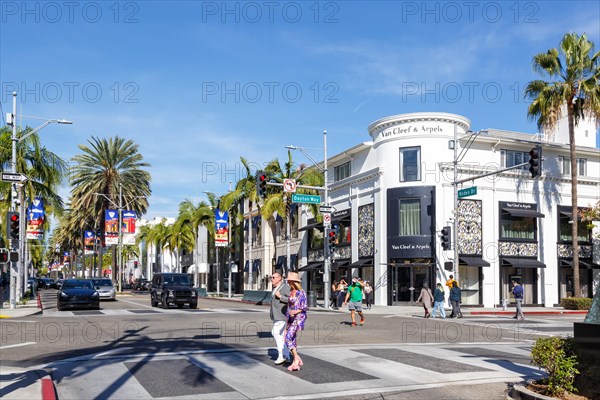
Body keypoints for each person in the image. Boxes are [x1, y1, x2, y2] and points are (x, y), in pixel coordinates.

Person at [284, 272, 307, 371]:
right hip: (291, 317)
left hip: (299, 317)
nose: (288, 282)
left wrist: (296, 311)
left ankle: (296, 357)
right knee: (292, 338)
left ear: (293, 281)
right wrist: (287, 322)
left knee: (288, 337)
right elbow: (289, 307)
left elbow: (304, 306)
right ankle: (295, 363)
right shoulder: (291, 291)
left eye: (289, 281)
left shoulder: (301, 292)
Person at [270, 272, 291, 365]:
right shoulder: (275, 288)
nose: (272, 279)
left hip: (282, 315)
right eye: (271, 277)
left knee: (275, 333)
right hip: (276, 315)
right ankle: (287, 355)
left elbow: (292, 300)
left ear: (279, 278)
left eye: (273, 277)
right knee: (280, 335)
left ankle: (281, 356)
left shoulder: (285, 287)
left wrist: (280, 297)